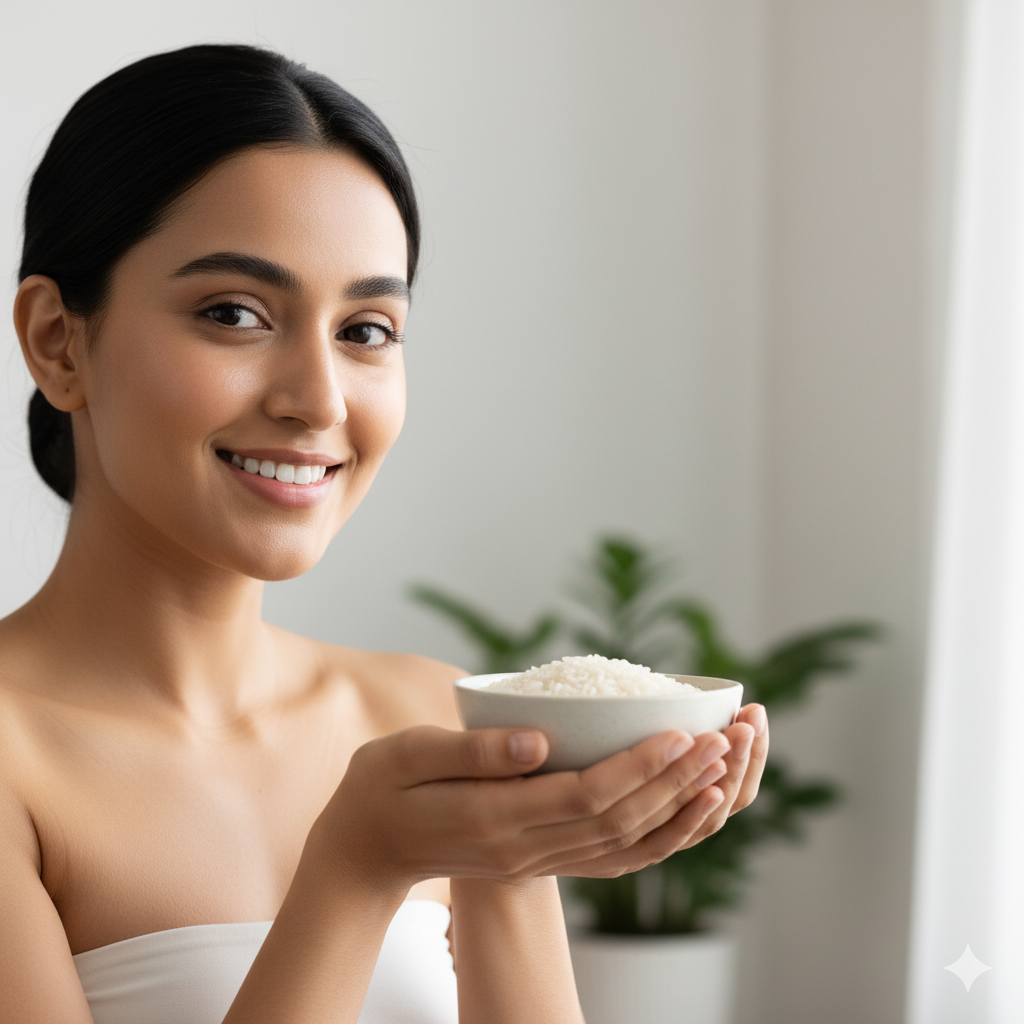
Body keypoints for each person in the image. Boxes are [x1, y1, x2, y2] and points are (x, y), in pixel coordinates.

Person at [0, 44, 769, 1024]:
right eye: (234, 312)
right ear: (58, 342)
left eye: (364, 329)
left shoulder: (426, 715)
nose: (318, 400)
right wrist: (357, 869)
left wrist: (508, 864)